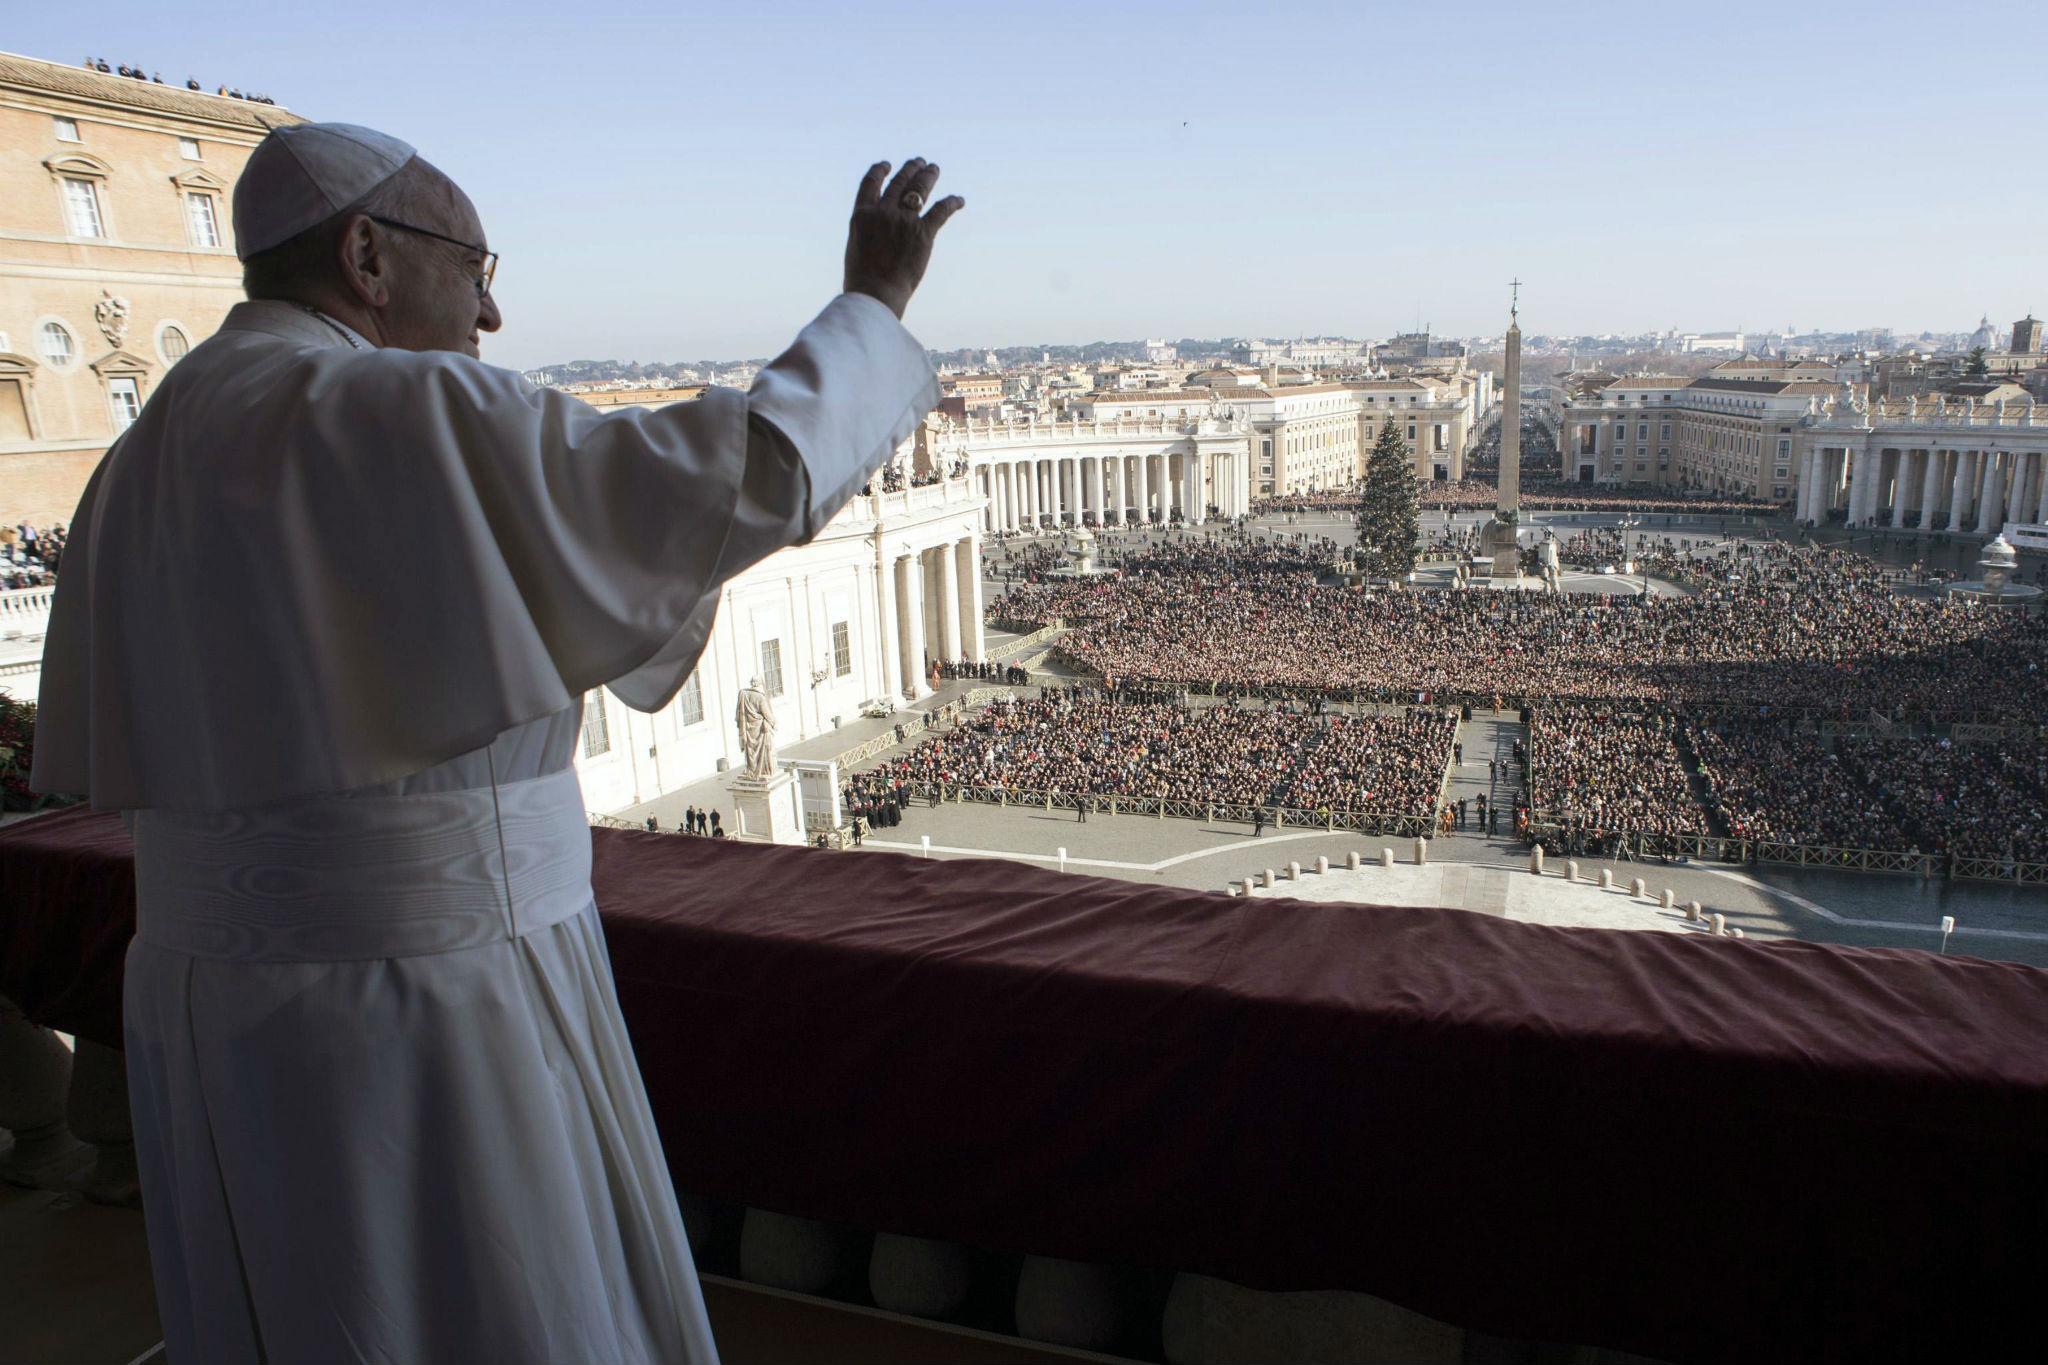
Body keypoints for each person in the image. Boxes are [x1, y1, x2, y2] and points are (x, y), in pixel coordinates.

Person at [32, 121, 962, 1365]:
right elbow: (742, 478)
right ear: (367, 254)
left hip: (213, 1007)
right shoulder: (393, 406)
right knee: (500, 1301)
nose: (494, 314)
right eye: (475, 270)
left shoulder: (143, 452)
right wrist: (870, 303)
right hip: (426, 990)